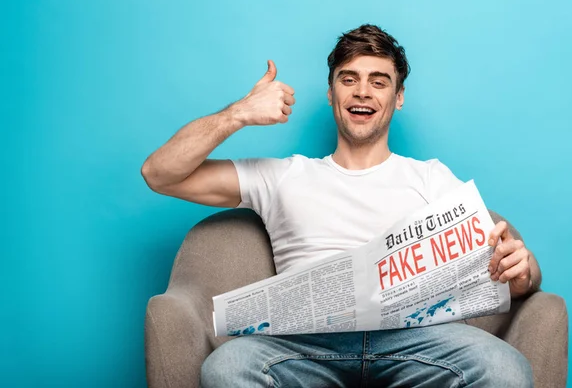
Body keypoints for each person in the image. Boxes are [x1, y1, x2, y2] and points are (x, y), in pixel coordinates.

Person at [142, 24, 541, 387]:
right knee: (226, 368)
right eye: (348, 79)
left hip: (418, 340)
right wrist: (239, 114)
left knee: (506, 369)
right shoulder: (282, 176)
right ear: (332, 93)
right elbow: (160, 173)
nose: (362, 91)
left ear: (398, 97)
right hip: (302, 346)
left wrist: (524, 270)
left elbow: (513, 266)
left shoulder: (432, 178)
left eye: (379, 82)